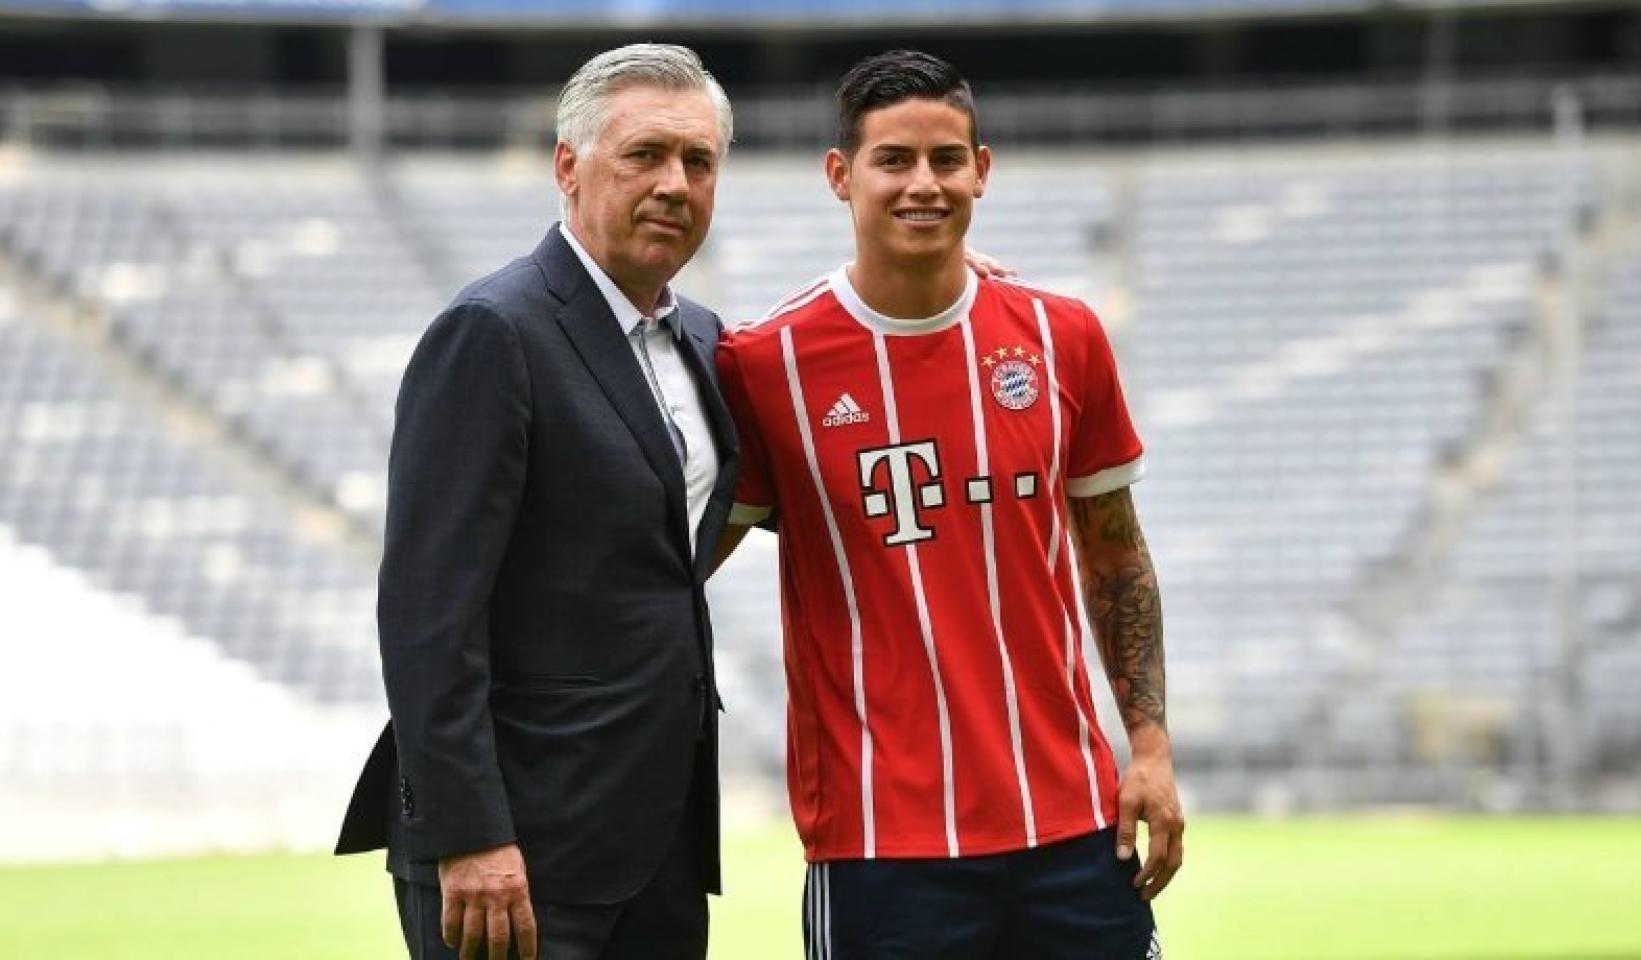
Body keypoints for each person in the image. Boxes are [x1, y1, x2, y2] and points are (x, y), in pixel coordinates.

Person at [714, 50, 1183, 958]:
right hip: (879, 845)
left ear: (982, 170)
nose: (923, 184)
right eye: (893, 160)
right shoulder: (764, 367)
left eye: (946, 159)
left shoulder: (1062, 337)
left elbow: (1116, 554)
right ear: (840, 176)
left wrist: (1151, 750)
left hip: (1074, 827)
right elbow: (677, 566)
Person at [335, 44, 739, 960]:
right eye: (644, 154)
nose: (675, 183)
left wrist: (941, 275)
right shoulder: (494, 330)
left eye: (699, 161)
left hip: (660, 849)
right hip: (516, 854)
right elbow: (426, 612)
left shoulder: (705, 344)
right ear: (568, 166)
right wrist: (467, 833)